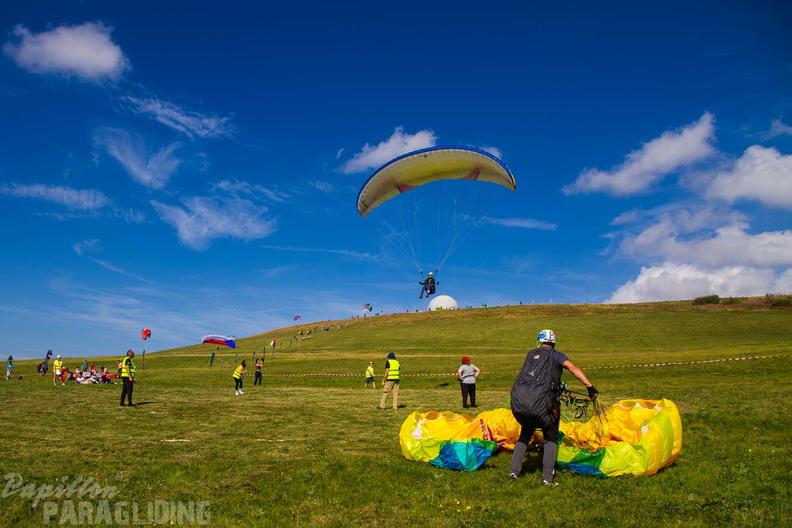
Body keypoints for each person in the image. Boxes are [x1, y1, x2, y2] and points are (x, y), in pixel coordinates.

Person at [508, 329, 598, 486]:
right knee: (550, 437)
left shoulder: (531, 355)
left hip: (524, 402)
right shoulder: (557, 355)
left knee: (525, 434)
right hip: (545, 404)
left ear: (539, 342)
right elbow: (574, 369)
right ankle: (547, 478)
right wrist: (590, 387)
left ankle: (513, 473)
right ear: (553, 343)